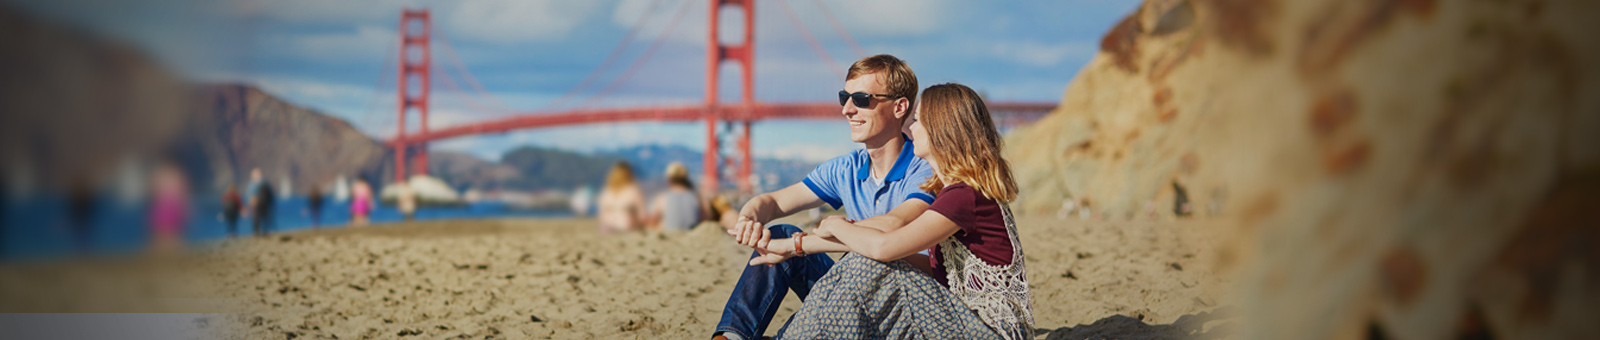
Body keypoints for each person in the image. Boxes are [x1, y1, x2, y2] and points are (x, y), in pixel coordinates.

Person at [738, 83, 1035, 339]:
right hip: (967, 321)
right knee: (867, 260)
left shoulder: (963, 195)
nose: (911, 127)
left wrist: (836, 225)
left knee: (867, 264)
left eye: (917, 120)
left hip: (992, 332)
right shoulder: (960, 193)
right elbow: (921, 263)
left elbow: (884, 246)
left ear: (942, 130)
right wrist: (795, 246)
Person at [712, 54, 934, 340]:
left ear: (900, 107)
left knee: (861, 263)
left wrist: (812, 238)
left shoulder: (924, 167)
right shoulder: (846, 168)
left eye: (861, 99)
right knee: (780, 233)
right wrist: (748, 219)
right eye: (844, 97)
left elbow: (893, 226)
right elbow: (774, 203)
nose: (847, 110)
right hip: (852, 286)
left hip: (906, 299)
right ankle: (731, 337)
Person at [647, 162, 703, 231]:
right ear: (686, 179)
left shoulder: (663, 198)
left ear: (669, 180)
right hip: (692, 233)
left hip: (671, 233)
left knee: (659, 223)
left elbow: (653, 221)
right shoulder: (697, 197)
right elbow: (704, 220)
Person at [147, 163, 189, 255]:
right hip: (164, 214)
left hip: (172, 214)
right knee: (163, 240)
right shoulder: (160, 207)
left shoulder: (177, 205)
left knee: (171, 240)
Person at [596, 161, 645, 233]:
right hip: (626, 224)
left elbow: (601, 213)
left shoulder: (607, 191)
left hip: (607, 224)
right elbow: (642, 214)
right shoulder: (632, 189)